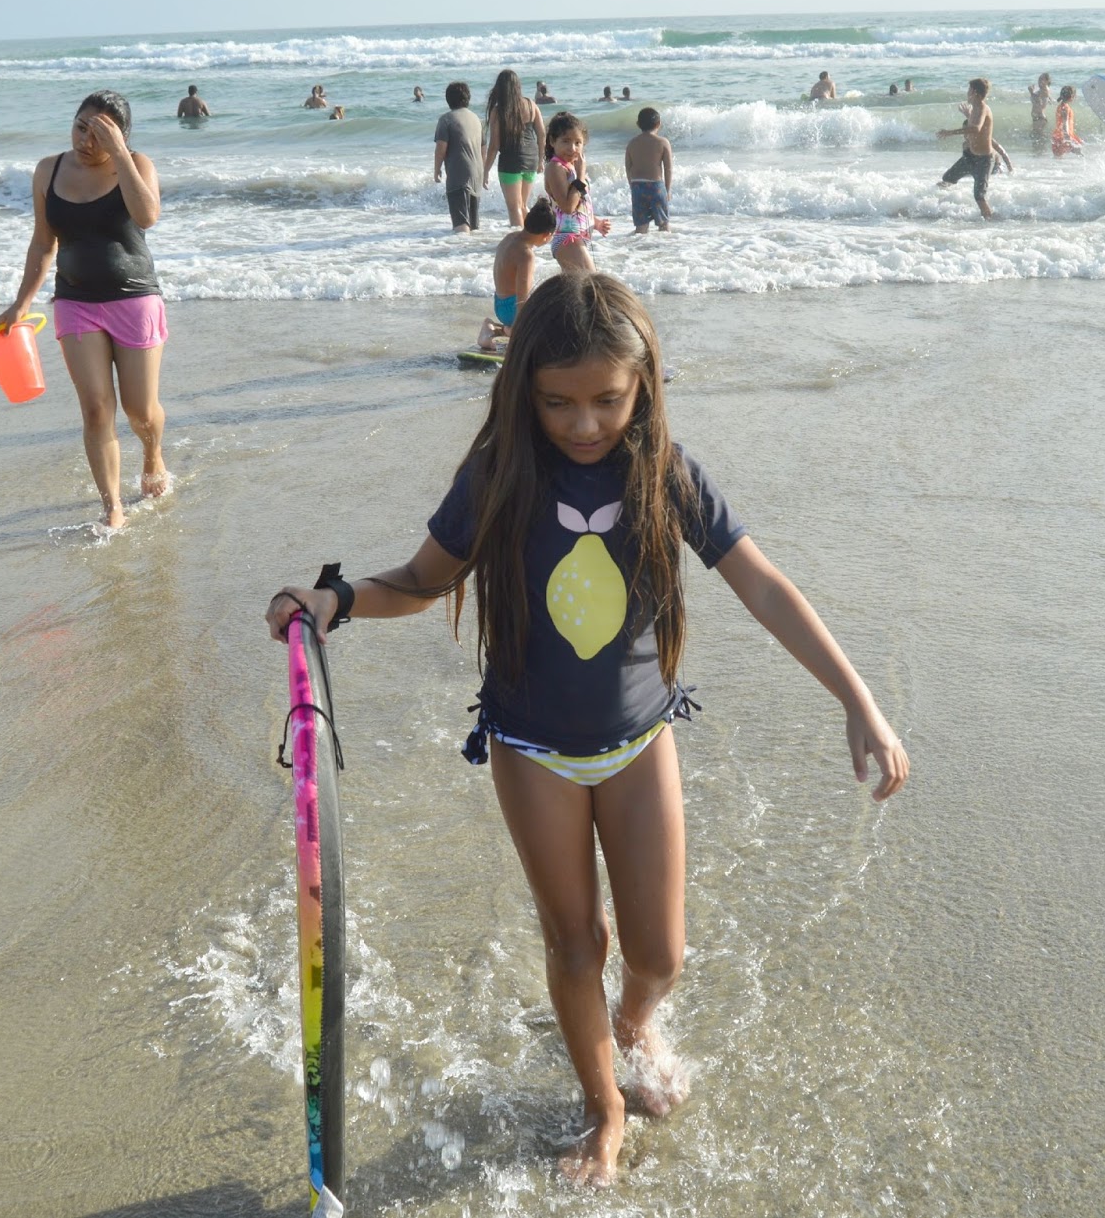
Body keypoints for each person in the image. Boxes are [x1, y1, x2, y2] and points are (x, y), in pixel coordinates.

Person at [263, 273, 910, 1189]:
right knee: (576, 943)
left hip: (641, 741)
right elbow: (422, 579)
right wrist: (335, 598)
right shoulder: (499, 474)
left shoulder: (666, 473)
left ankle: (634, 1021)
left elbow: (764, 586)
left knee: (658, 953)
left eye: (607, 399)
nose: (583, 423)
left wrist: (857, 699)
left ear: (644, 382)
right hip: (533, 750)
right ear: (524, 387)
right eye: (557, 401)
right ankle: (602, 1107)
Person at [0, 90, 169, 531]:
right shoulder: (48, 170)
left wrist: (120, 155)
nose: (85, 140)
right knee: (95, 408)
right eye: (80, 127)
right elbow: (43, 242)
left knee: (139, 410)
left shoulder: (138, 164)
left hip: (134, 299)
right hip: (75, 302)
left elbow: (147, 216)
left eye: (99, 134)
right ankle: (112, 506)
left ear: (120, 137)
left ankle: (152, 453)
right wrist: (21, 302)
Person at [479, 198, 555, 350]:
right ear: (546, 235)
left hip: (499, 303)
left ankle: (493, 327)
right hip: (512, 309)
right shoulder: (526, 255)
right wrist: (520, 329)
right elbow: (522, 297)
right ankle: (507, 333)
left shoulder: (509, 238)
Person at [544, 111, 612, 272]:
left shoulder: (571, 167)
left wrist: (596, 222)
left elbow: (579, 205)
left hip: (579, 237)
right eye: (566, 141)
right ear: (553, 141)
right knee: (591, 281)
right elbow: (567, 207)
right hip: (567, 237)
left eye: (577, 142)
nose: (572, 148)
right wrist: (581, 175)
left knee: (578, 287)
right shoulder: (555, 167)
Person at [483, 69, 547, 228]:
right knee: (523, 205)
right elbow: (542, 134)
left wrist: (485, 170)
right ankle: (532, 236)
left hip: (511, 161)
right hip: (531, 159)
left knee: (514, 208)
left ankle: (519, 239)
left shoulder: (499, 111)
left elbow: (494, 145)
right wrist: (540, 160)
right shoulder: (531, 105)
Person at [937, 78, 997, 220]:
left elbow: (976, 129)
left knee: (979, 196)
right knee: (947, 178)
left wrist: (950, 132)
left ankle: (990, 222)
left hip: (983, 160)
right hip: (970, 157)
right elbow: (976, 123)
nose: (967, 92)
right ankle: (934, 206)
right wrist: (968, 115)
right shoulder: (975, 109)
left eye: (969, 89)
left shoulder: (982, 108)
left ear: (974, 92)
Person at [434, 81, 484, 234]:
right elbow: (483, 148)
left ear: (448, 99)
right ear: (468, 98)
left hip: (458, 175)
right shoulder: (476, 119)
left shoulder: (446, 119)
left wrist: (436, 170)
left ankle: (460, 248)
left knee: (461, 225)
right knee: (473, 226)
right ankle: (472, 249)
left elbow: (441, 148)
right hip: (477, 174)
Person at [624, 107, 673, 235]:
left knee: (641, 227)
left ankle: (638, 247)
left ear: (638, 124)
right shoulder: (663, 142)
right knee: (663, 224)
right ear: (659, 124)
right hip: (656, 187)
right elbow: (668, 168)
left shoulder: (631, 143)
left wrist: (632, 186)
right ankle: (667, 246)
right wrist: (667, 190)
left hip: (637, 186)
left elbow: (628, 167)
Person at [1050, 85, 1083, 157]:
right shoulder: (1066, 108)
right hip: (1063, 136)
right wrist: (1067, 137)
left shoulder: (1060, 106)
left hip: (1057, 136)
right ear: (1072, 97)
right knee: (1079, 151)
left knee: (1057, 157)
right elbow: (1065, 123)